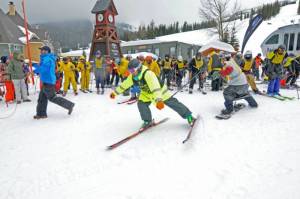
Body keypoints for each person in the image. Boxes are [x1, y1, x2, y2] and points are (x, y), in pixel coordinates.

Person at [110, 59, 196, 128]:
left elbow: (155, 88)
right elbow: (125, 85)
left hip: (160, 92)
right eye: (130, 70)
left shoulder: (148, 74)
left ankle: (189, 116)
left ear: (139, 68)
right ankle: (147, 121)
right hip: (146, 93)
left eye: (132, 70)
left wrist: (158, 100)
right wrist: (115, 92)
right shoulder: (133, 76)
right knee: (141, 103)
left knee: (172, 103)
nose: (131, 72)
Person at [33, 46, 75, 119]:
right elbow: (42, 68)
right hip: (46, 80)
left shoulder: (48, 59)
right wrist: (36, 67)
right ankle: (41, 114)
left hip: (48, 81)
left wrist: (34, 70)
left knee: (52, 98)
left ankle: (69, 105)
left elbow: (44, 69)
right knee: (42, 99)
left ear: (47, 51)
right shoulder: (44, 58)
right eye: (41, 50)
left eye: (43, 50)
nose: (42, 51)